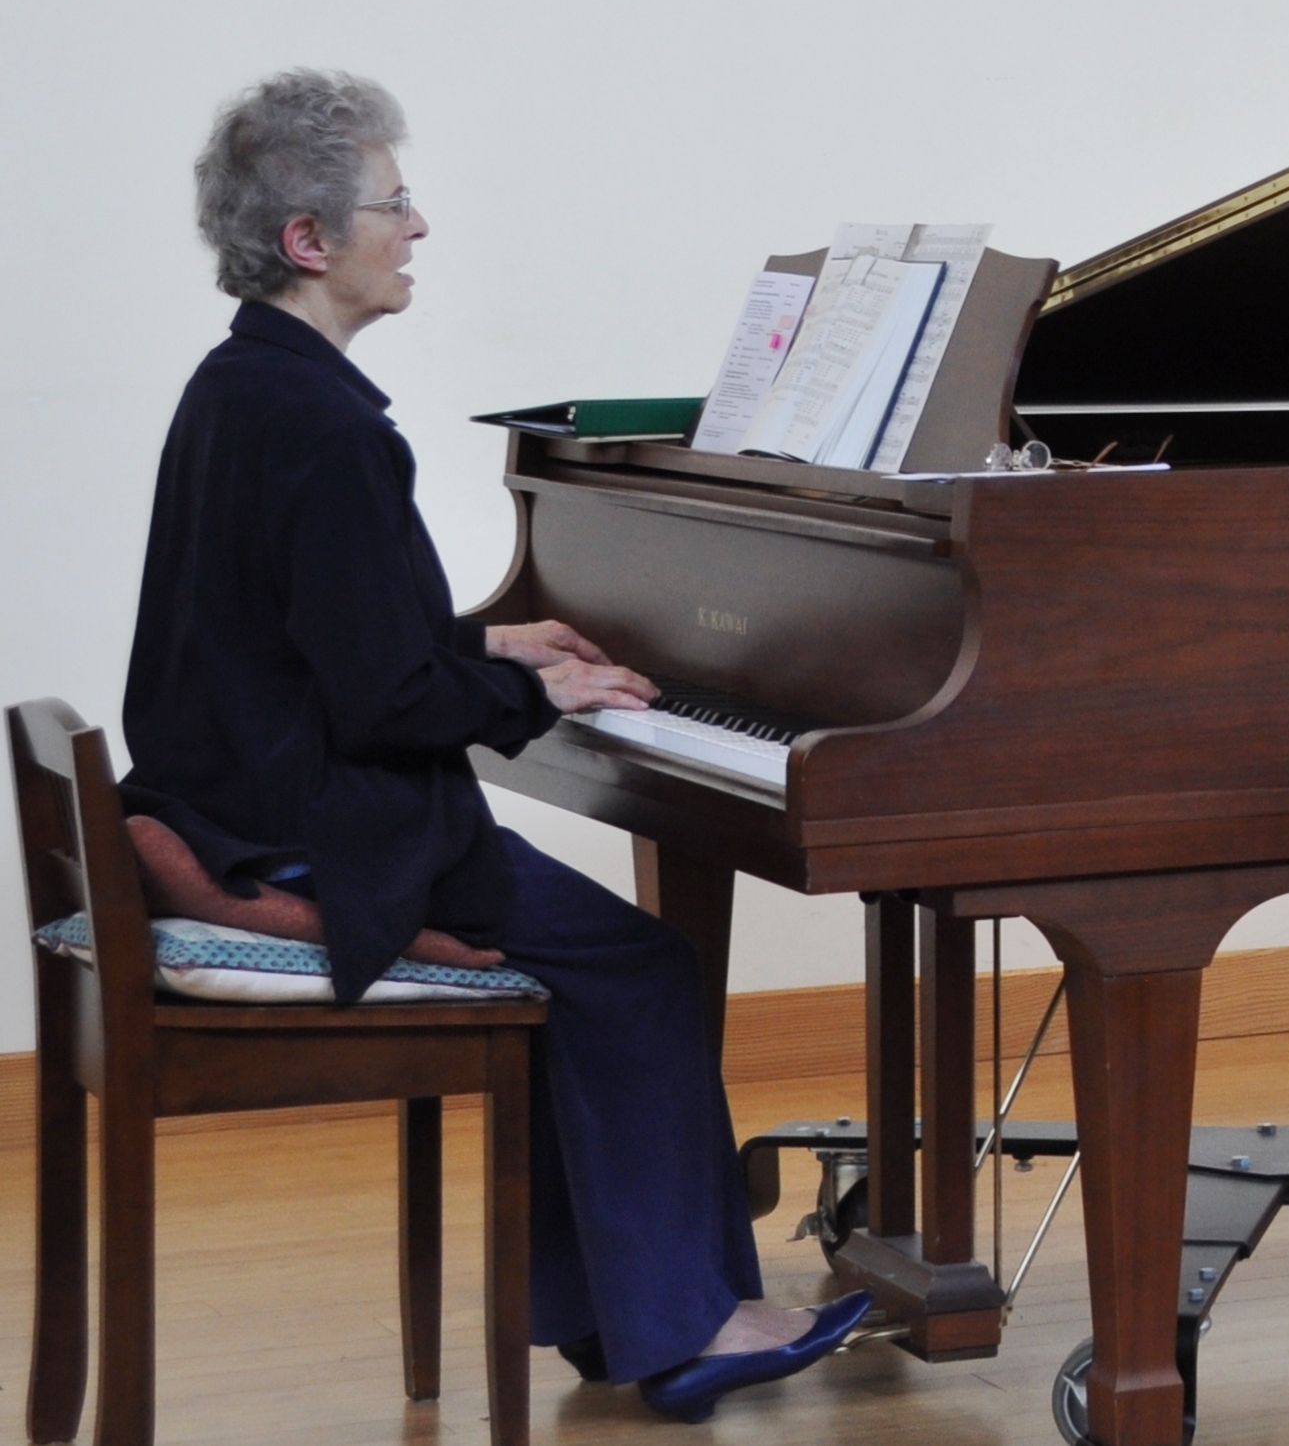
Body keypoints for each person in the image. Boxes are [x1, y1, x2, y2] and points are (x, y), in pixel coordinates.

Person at [117, 68, 868, 1417]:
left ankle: (616, 1314)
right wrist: (538, 696)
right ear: (307, 239)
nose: (417, 227)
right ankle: (690, 1321)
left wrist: (493, 649)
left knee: (602, 964)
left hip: (243, 791)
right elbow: (384, 706)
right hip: (321, 831)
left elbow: (316, 641)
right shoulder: (329, 430)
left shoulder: (241, 387)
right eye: (393, 205)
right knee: (639, 966)